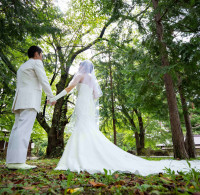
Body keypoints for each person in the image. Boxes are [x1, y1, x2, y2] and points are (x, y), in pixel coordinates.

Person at [50, 60, 200, 176]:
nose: (79, 68)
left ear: (82, 67)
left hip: (82, 104)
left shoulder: (79, 75)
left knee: (81, 129)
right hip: (88, 106)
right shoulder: (91, 78)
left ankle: (79, 157)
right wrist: (88, 100)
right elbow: (96, 95)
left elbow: (69, 89)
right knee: (87, 130)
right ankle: (86, 156)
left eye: (80, 66)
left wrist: (55, 97)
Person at [6, 46, 56, 170]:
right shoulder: (36, 63)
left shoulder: (22, 66)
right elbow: (43, 80)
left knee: (17, 129)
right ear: (36, 54)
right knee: (23, 130)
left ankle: (11, 161)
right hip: (30, 101)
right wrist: (51, 96)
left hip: (20, 101)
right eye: (41, 55)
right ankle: (17, 162)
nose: (42, 58)